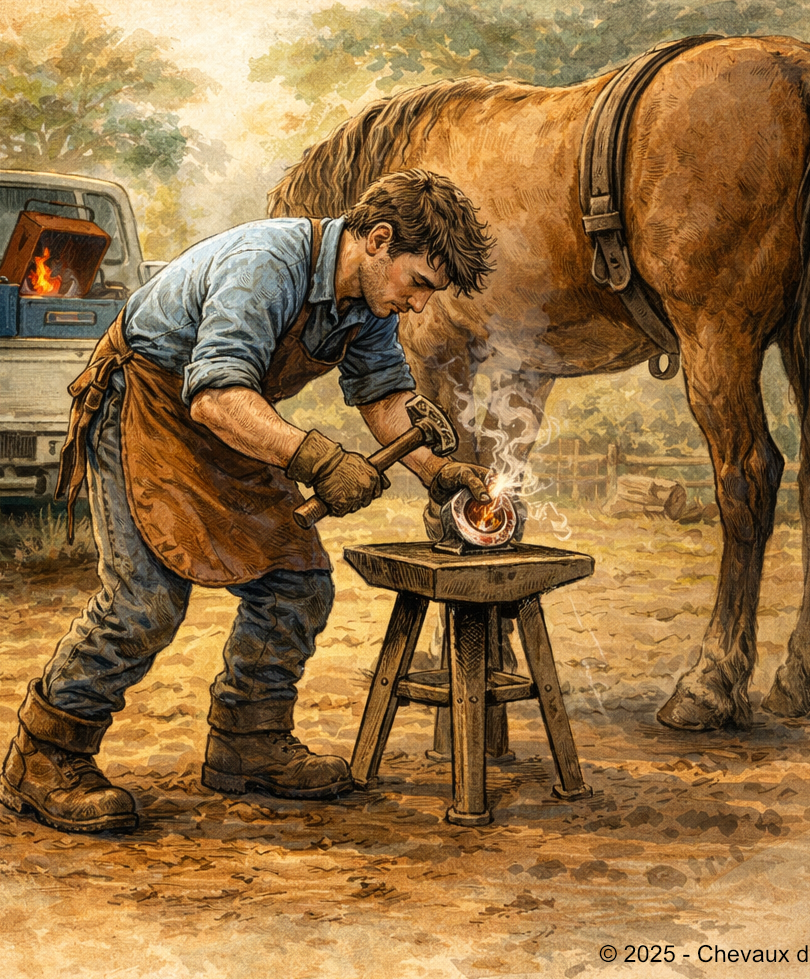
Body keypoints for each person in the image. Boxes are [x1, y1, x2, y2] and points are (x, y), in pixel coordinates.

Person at [0, 169, 494, 833]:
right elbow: (213, 397)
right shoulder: (267, 264)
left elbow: (383, 395)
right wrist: (317, 460)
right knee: (144, 600)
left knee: (296, 580)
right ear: (378, 240)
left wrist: (436, 470)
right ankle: (44, 754)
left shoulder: (365, 303)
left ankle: (248, 742)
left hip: (232, 418)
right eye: (420, 284)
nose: (419, 304)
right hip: (148, 405)